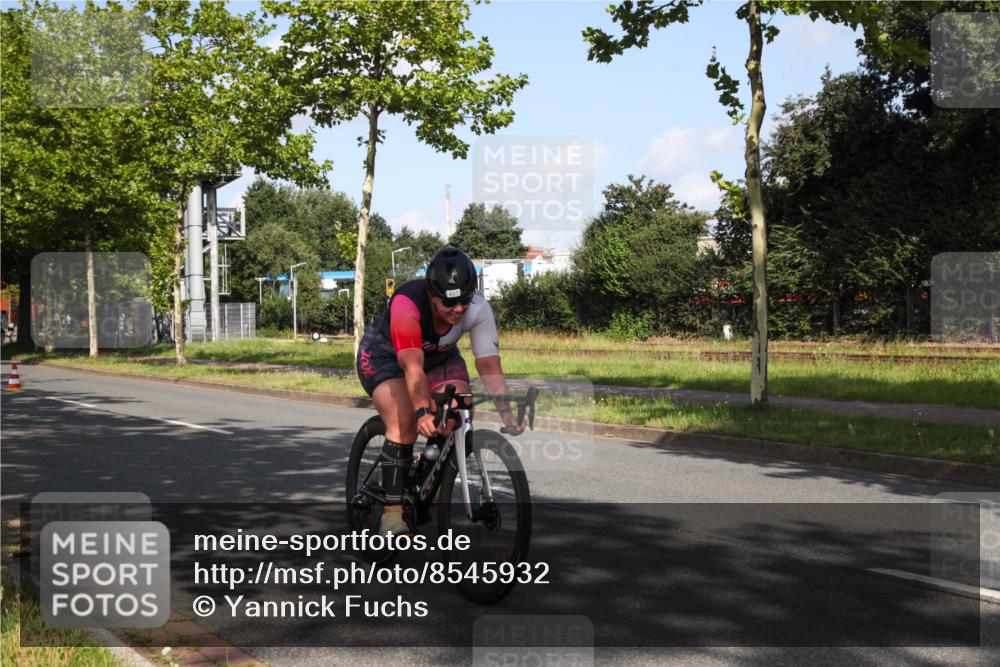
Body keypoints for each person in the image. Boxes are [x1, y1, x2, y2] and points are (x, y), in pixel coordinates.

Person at [355, 246, 524, 536]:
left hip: (439, 358)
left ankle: (425, 466)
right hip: (386, 357)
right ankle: (392, 514)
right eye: (449, 303)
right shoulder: (408, 304)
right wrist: (421, 408)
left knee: (460, 406)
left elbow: (489, 364)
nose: (458, 310)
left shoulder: (478, 309)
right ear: (432, 297)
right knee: (405, 420)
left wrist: (505, 411)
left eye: (464, 302)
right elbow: (412, 367)